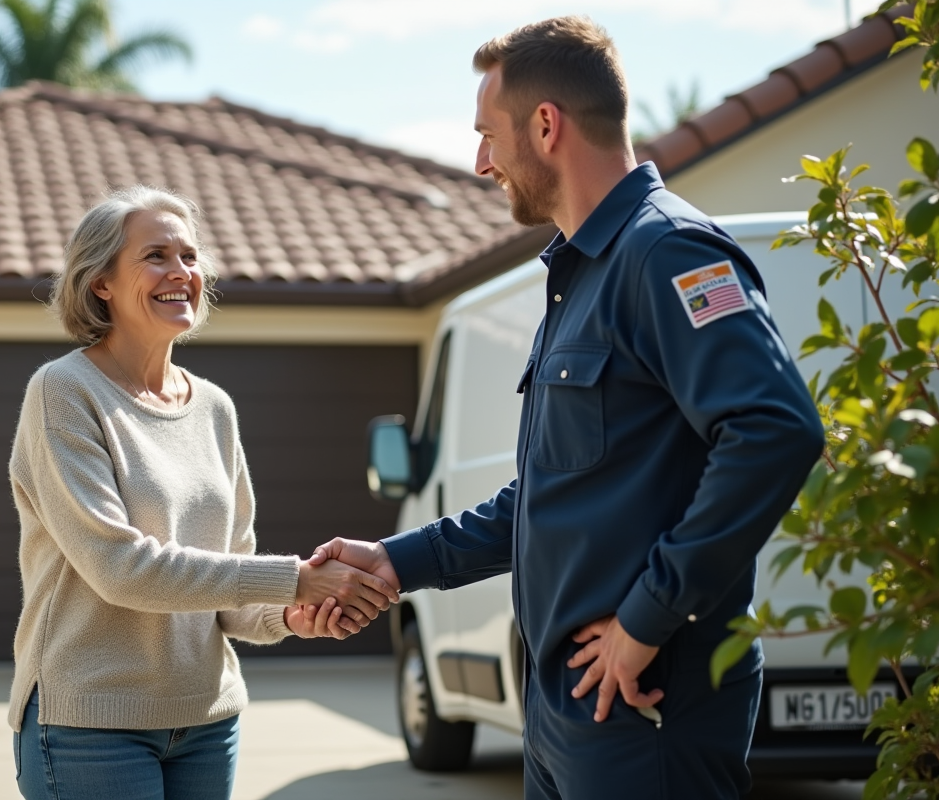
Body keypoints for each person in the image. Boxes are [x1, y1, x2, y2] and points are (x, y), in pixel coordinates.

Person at [311, 16, 826, 800]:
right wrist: (396, 561)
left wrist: (648, 618)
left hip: (646, 710)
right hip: (563, 712)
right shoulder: (579, 275)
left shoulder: (668, 252)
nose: (481, 162)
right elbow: (553, 494)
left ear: (546, 126)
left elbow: (775, 430)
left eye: (489, 136)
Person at [7, 185, 399, 800]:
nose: (181, 272)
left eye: (189, 257)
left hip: (208, 722)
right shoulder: (63, 392)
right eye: (156, 256)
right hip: (91, 724)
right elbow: (120, 570)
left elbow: (232, 582)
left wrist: (293, 615)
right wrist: (296, 579)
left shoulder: (214, 407)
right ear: (101, 282)